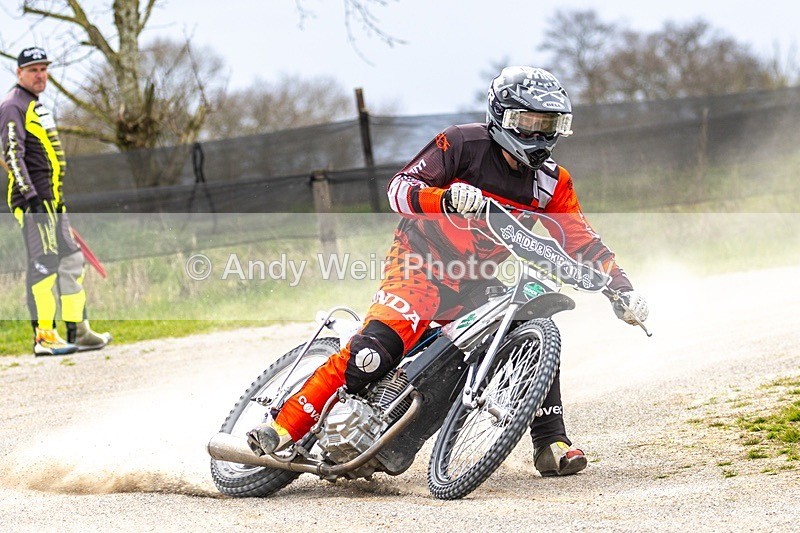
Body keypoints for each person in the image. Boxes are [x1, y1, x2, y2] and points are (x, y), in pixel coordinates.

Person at [248, 66, 649, 477]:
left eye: (548, 125)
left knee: (528, 325)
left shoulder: (551, 183)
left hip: (477, 280)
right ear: (501, 116)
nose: (537, 136)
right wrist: (445, 198)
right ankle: (281, 428)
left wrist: (623, 289)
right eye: (527, 123)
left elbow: (582, 241)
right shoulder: (461, 143)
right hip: (419, 262)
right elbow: (399, 189)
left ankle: (550, 441)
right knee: (372, 354)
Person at [0, 47, 112, 356]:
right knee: (44, 264)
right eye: (33, 69)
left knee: (72, 260)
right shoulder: (13, 105)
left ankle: (79, 330)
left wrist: (54, 201)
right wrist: (33, 199)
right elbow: (13, 154)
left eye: (43, 69)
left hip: (53, 202)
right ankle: (44, 337)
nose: (40, 75)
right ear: (19, 73)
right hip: (34, 203)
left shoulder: (37, 105)